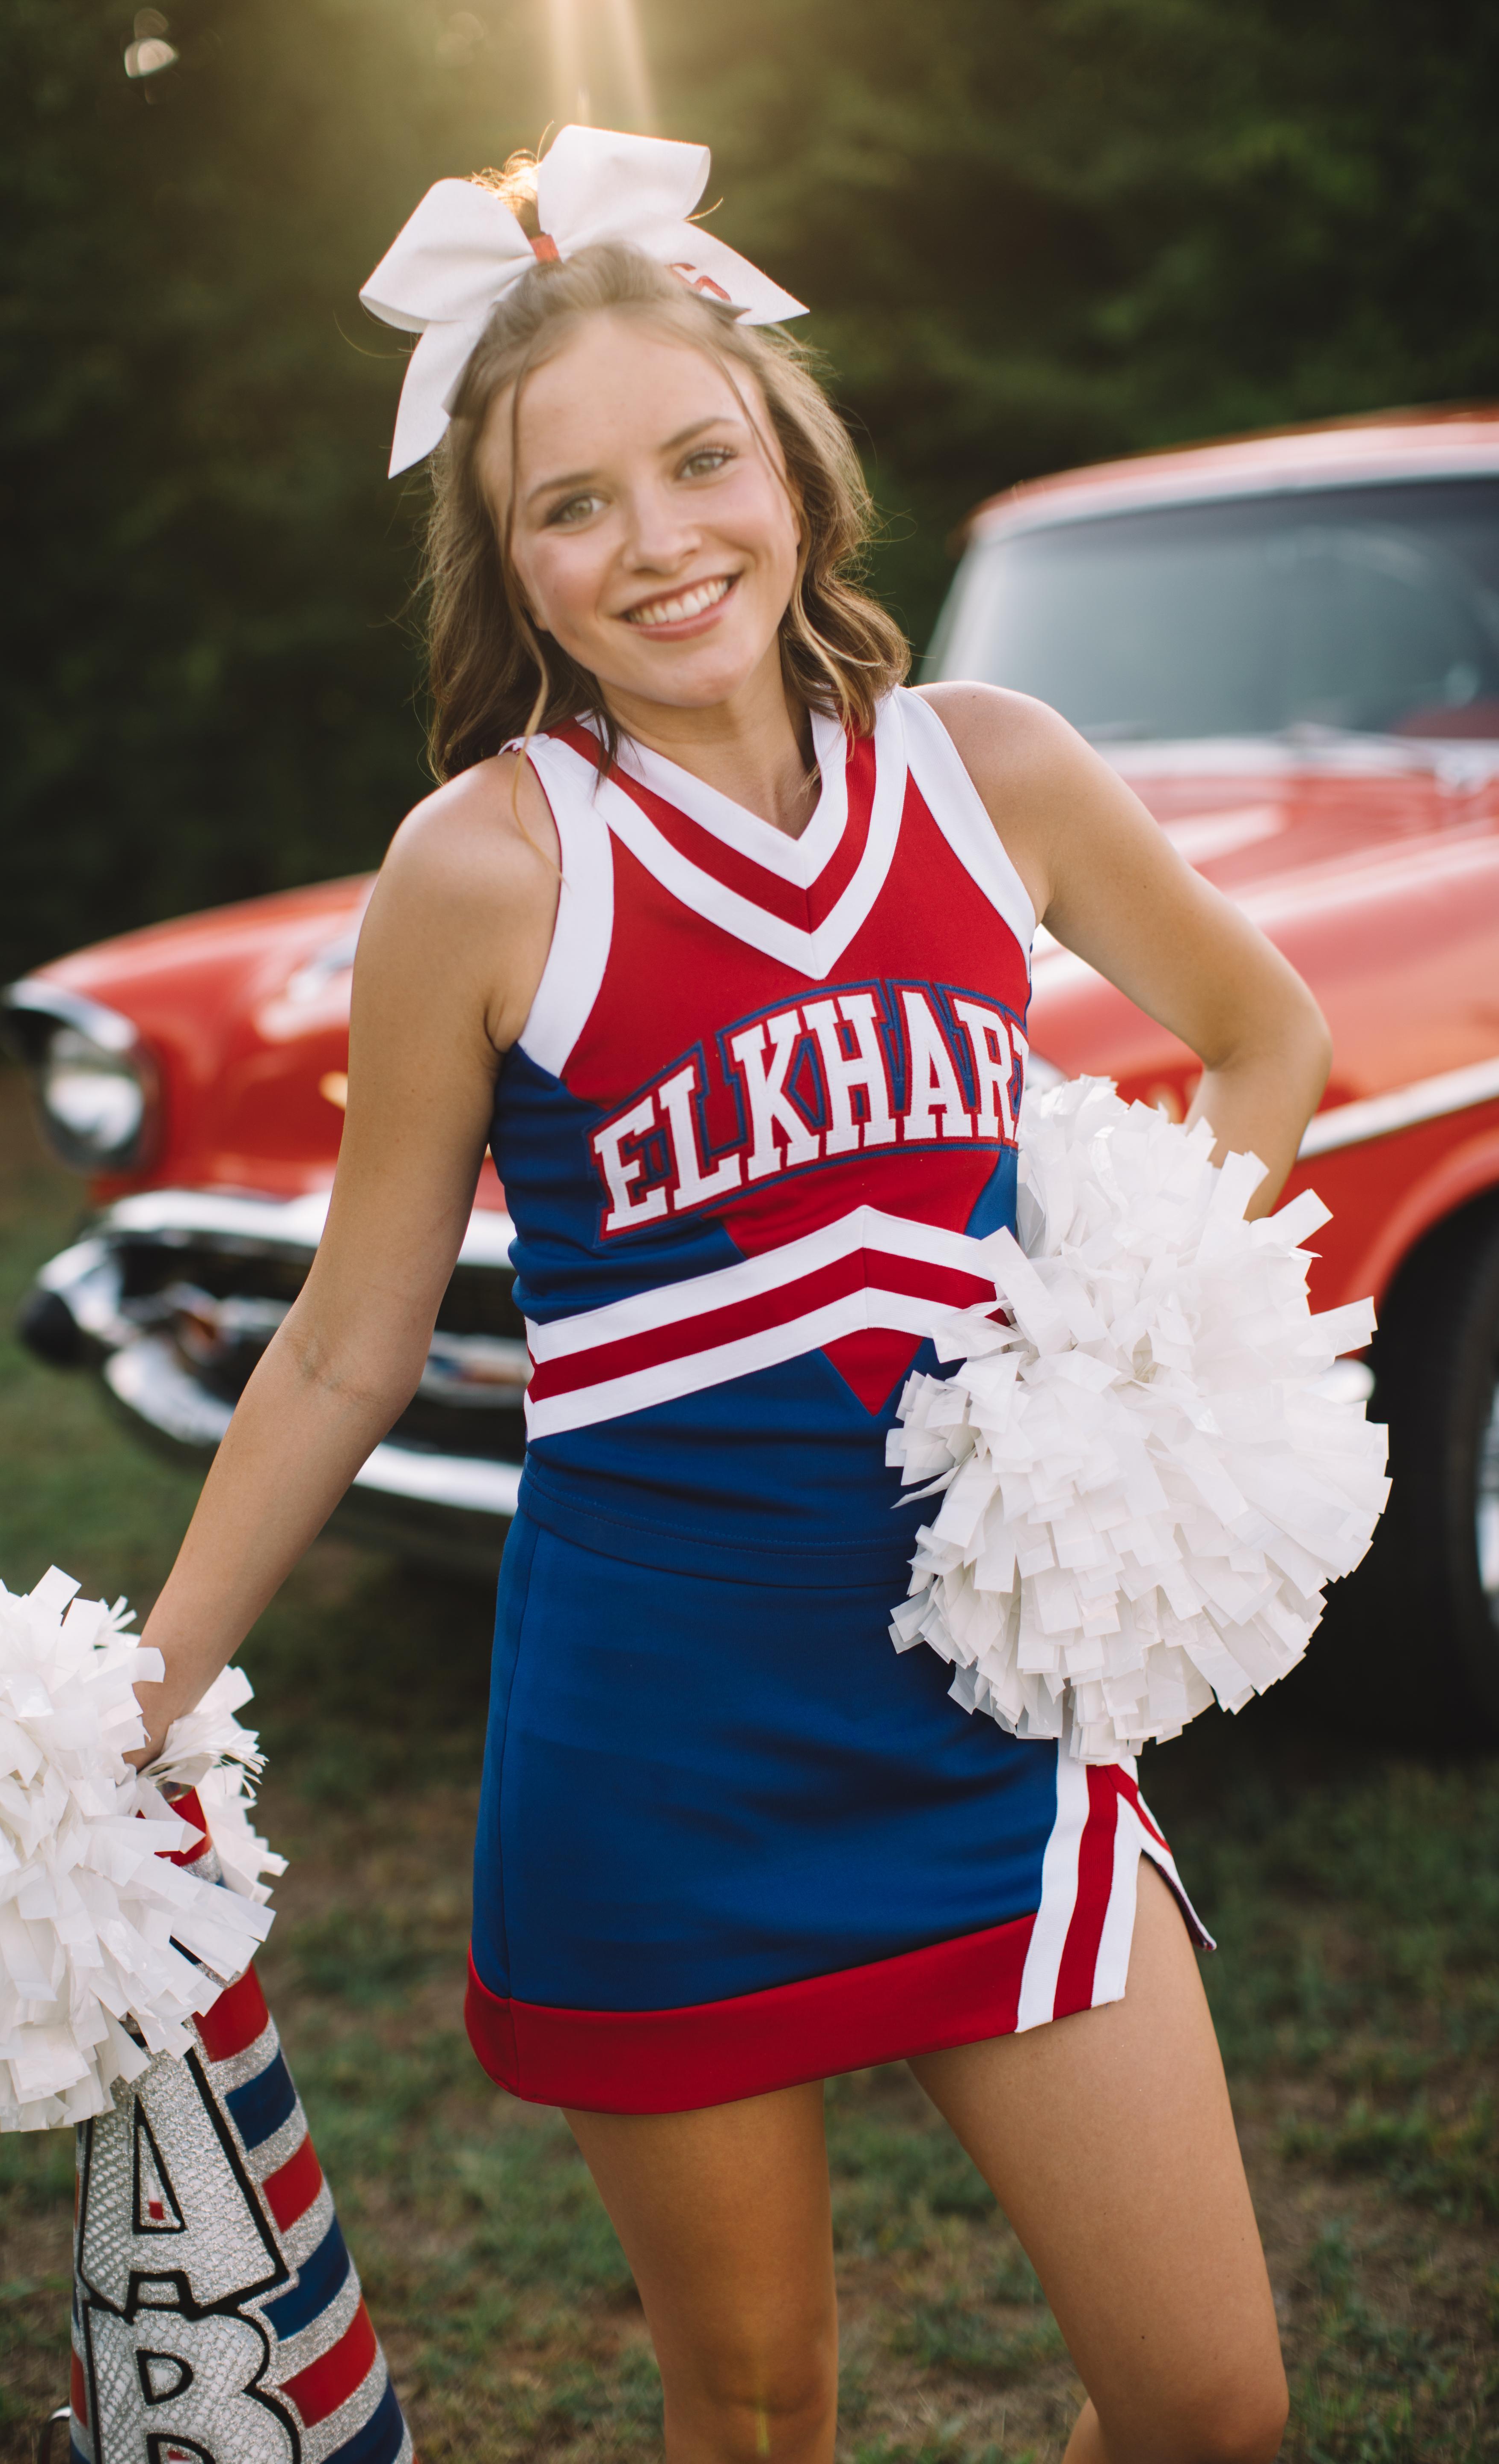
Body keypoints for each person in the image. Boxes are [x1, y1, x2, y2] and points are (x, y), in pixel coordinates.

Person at [130, 128, 1328, 2464]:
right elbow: (350, 1342)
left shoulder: (997, 774)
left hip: (997, 1715)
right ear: (510, 568)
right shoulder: (483, 866)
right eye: (573, 507)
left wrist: (1140, 1353)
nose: (661, 540)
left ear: (795, 461)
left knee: (1210, 2406)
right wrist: (141, 1691)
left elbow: (1264, 1033)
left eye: (703, 459)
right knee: (758, 2411)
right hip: (656, 1746)